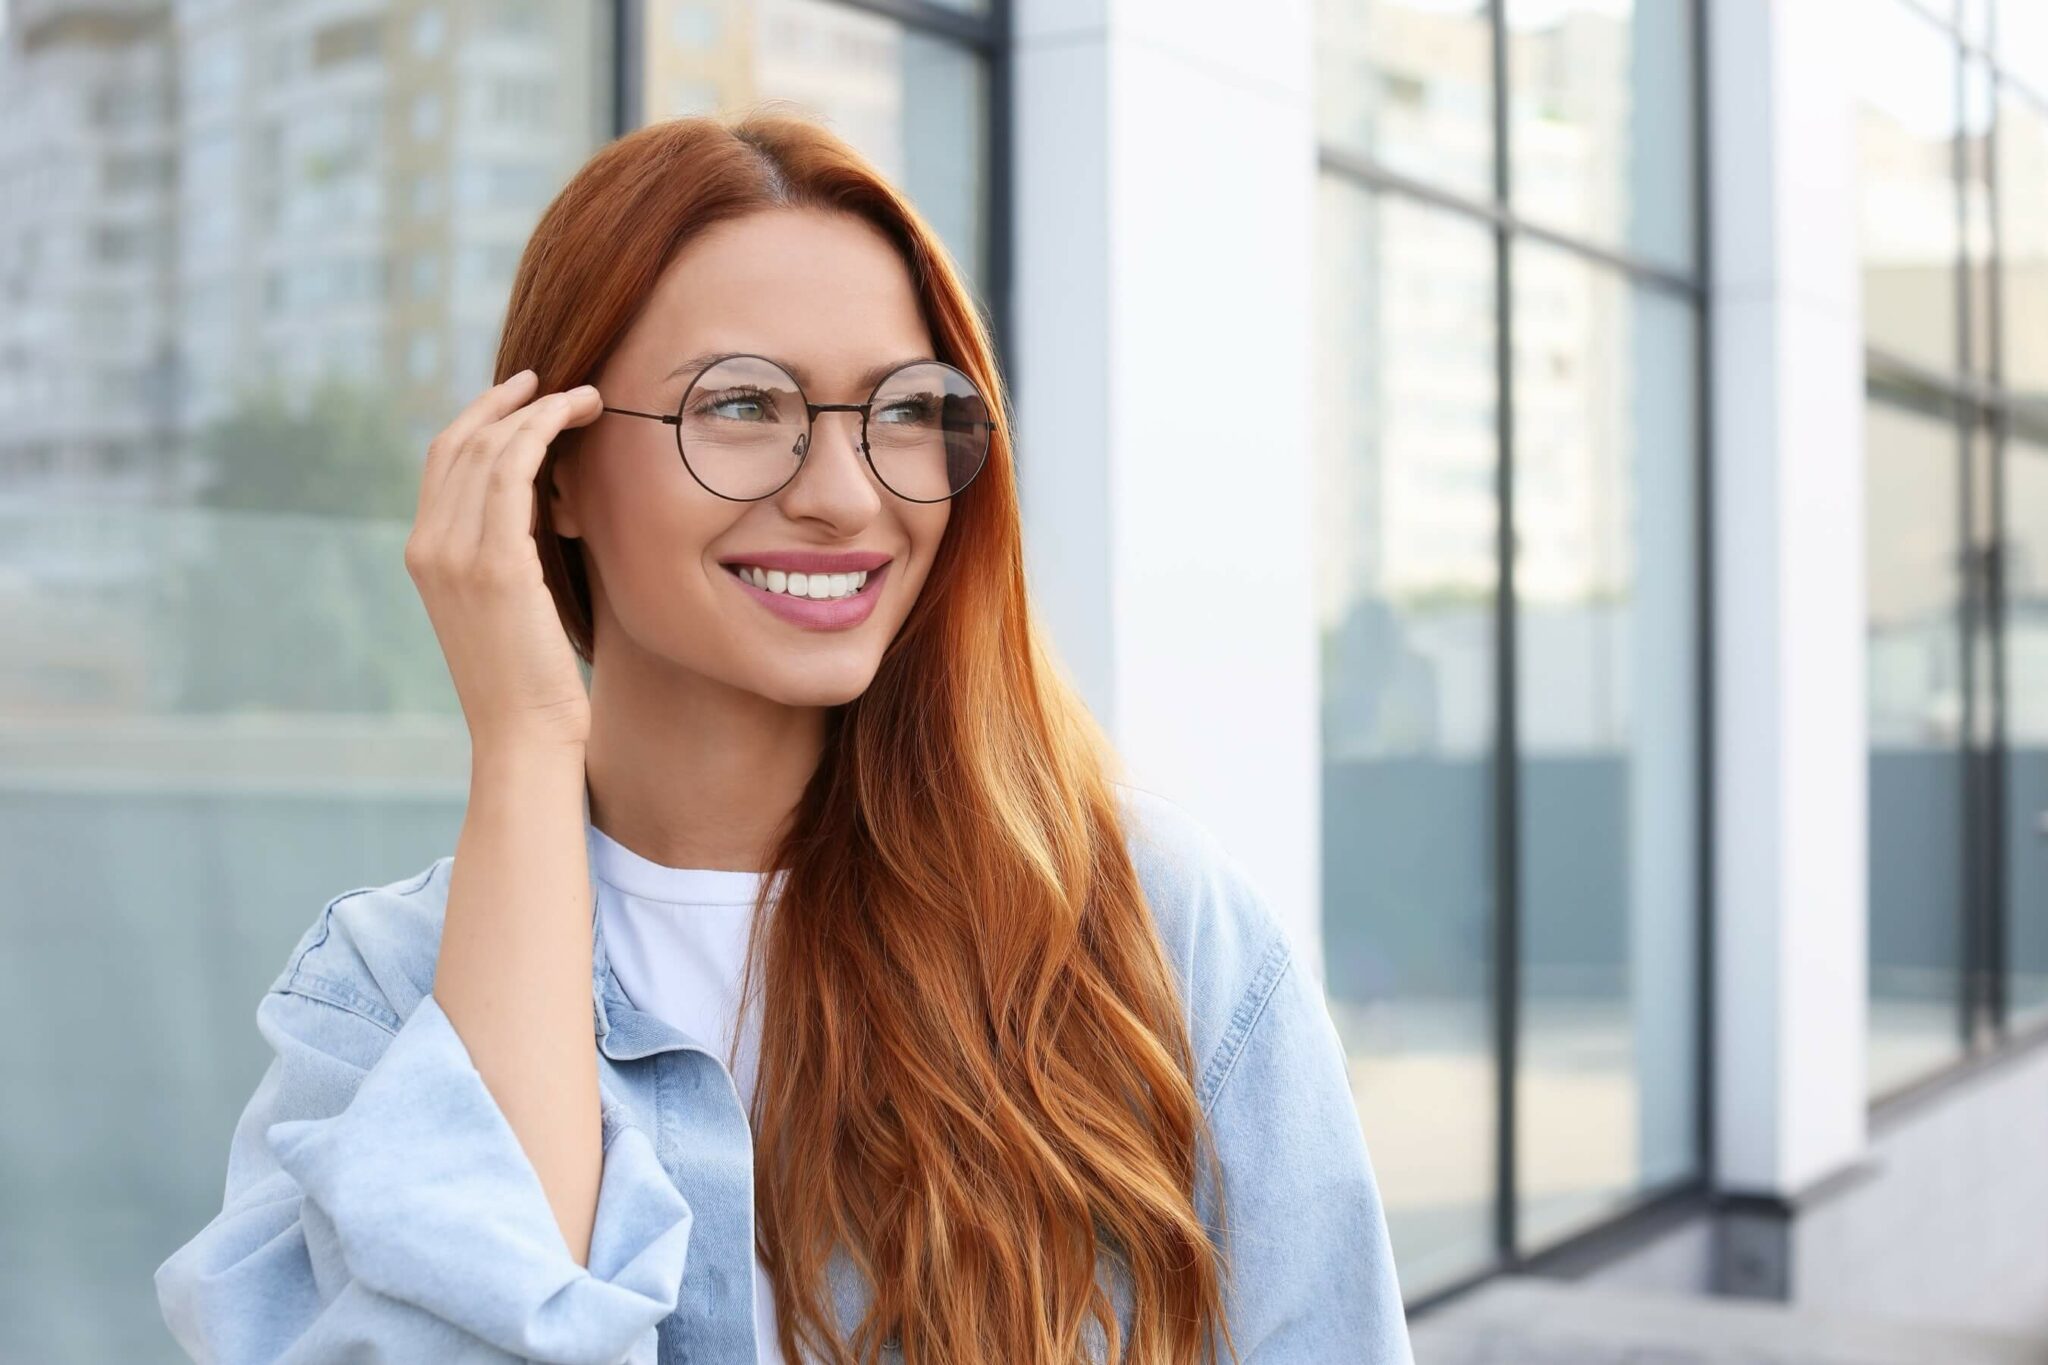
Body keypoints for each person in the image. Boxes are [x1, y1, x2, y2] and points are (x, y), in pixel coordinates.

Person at [153, 109, 1413, 1365]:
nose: (846, 494)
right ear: (551, 472)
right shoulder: (380, 992)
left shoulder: (1143, 928)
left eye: (904, 410)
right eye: (744, 404)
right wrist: (527, 736)